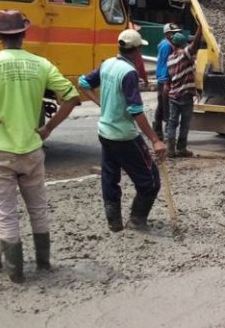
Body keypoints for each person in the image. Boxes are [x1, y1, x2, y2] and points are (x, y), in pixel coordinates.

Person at [0, 10, 80, 284]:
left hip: (0, 150)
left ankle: (16, 272)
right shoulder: (41, 64)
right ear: (24, 33)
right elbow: (71, 97)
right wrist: (48, 128)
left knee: (6, 213)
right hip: (32, 148)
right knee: (38, 209)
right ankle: (44, 263)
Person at [78, 29, 168, 232]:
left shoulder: (108, 64)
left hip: (105, 132)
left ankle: (115, 223)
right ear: (137, 51)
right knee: (150, 180)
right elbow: (135, 110)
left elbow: (83, 83)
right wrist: (155, 140)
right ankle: (136, 220)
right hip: (123, 135)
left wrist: (101, 103)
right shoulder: (128, 73)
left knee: (110, 177)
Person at [165, 27, 201, 157]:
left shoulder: (170, 59)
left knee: (172, 123)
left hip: (173, 96)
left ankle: (170, 150)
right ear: (182, 45)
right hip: (185, 95)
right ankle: (181, 149)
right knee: (185, 124)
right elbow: (195, 45)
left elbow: (170, 78)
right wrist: (200, 29)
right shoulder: (184, 55)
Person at [153, 23, 181, 134]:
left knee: (161, 105)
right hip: (165, 80)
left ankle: (158, 130)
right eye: (173, 33)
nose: (175, 35)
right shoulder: (167, 46)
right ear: (167, 34)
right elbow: (166, 64)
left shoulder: (164, 44)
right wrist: (166, 81)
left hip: (162, 79)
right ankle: (166, 132)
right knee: (167, 107)